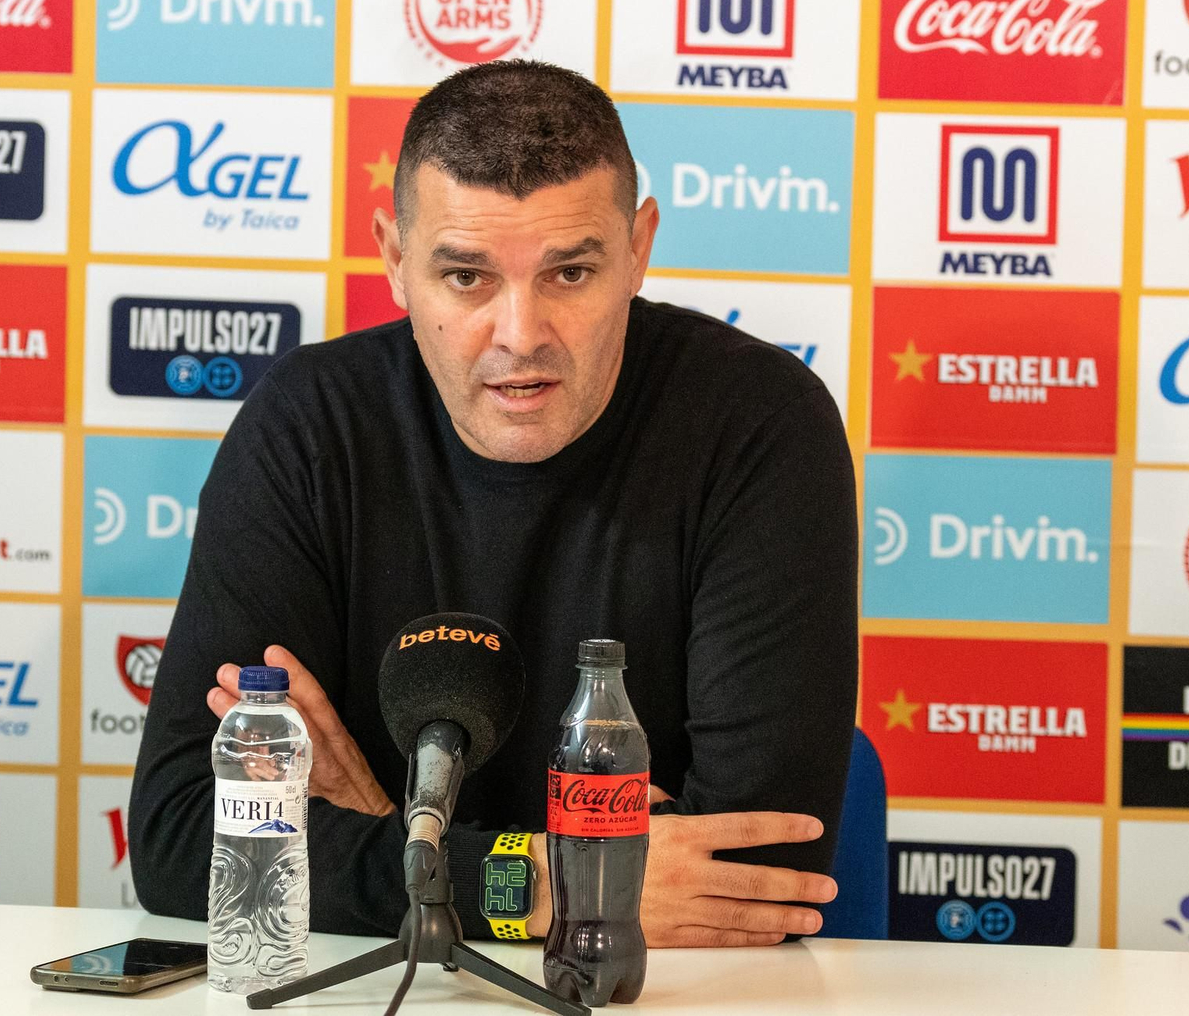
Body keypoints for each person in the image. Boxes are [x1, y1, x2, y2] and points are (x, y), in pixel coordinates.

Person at [129, 60, 859, 948]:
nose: (520, 335)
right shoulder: (309, 425)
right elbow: (179, 839)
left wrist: (389, 832)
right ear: (395, 260)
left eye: (570, 273)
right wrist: (531, 885)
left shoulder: (759, 424)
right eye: (467, 277)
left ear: (638, 249)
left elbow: (749, 875)